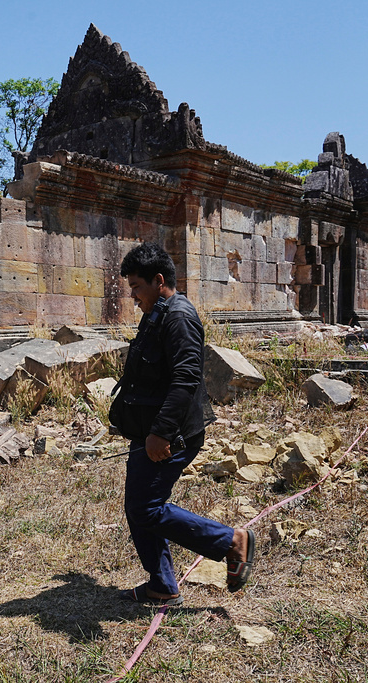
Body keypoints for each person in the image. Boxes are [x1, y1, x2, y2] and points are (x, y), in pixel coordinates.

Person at [115, 243, 255, 605]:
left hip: (171, 435)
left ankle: (230, 542)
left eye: (136, 287)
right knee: (139, 506)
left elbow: (186, 378)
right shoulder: (157, 311)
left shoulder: (179, 316)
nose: (133, 296)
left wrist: (161, 432)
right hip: (151, 431)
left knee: (147, 507)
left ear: (158, 281)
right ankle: (161, 584)